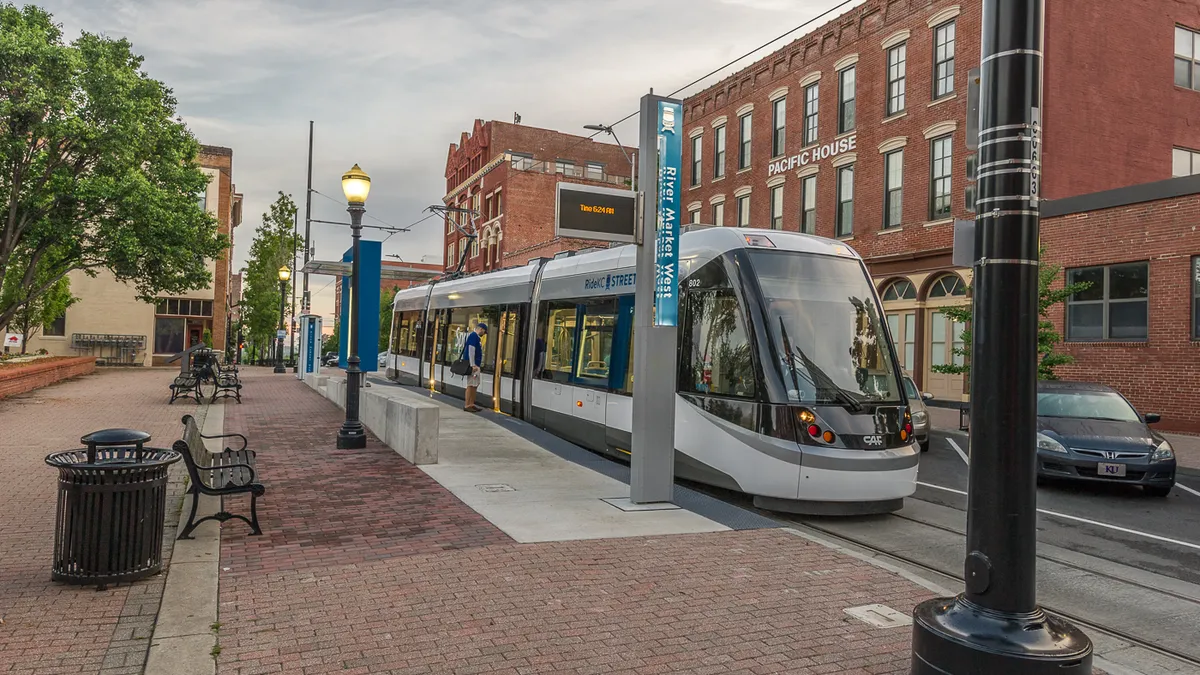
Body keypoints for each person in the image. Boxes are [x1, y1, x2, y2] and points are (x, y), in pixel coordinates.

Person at [462, 322, 487, 412]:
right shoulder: (473, 336)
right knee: (471, 385)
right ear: (481, 329)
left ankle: (471, 404)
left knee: (475, 384)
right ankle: (467, 405)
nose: (483, 334)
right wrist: (473, 365)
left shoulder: (476, 337)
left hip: (475, 365)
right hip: (474, 365)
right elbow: (471, 350)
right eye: (484, 332)